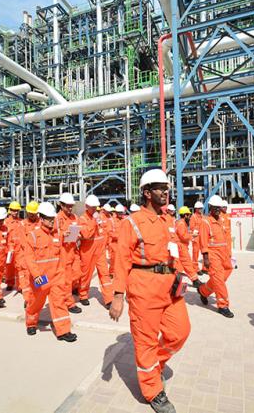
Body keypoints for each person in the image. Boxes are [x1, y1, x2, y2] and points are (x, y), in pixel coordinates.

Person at [110, 169, 190, 413]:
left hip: (170, 286)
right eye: (159, 188)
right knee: (145, 343)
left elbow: (175, 252)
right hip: (143, 288)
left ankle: (156, 366)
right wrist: (117, 297)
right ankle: (153, 392)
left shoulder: (168, 221)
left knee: (180, 332)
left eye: (166, 187)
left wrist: (185, 275)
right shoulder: (131, 223)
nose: (165, 192)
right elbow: (121, 260)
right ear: (146, 193)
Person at [22, 202, 77, 342]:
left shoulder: (57, 233)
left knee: (59, 302)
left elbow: (63, 241)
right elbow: (29, 258)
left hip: (56, 276)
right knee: (36, 302)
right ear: (41, 218)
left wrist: (70, 234)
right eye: (49, 219)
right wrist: (37, 275)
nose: (52, 221)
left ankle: (63, 331)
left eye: (53, 219)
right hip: (42, 277)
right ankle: (31, 323)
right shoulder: (33, 236)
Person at [197, 195, 234, 318]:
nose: (218, 210)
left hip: (223, 253)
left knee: (227, 272)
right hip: (213, 254)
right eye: (215, 208)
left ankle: (203, 291)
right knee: (218, 279)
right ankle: (223, 305)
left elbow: (225, 238)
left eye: (219, 207)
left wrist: (229, 253)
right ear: (210, 207)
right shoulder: (205, 222)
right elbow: (203, 241)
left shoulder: (222, 220)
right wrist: (206, 258)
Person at [78, 195, 113, 308]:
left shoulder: (99, 217)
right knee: (86, 274)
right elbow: (86, 234)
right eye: (92, 207)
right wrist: (94, 222)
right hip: (87, 251)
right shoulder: (82, 219)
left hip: (100, 251)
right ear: (86, 206)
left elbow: (105, 231)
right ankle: (83, 295)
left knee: (104, 274)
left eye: (95, 207)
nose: (94, 209)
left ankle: (109, 299)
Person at [54, 193, 82, 314]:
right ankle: (69, 303)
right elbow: (52, 235)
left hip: (73, 250)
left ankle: (68, 292)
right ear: (61, 205)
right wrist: (62, 235)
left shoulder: (74, 217)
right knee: (67, 279)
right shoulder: (56, 219)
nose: (70, 208)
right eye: (68, 206)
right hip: (63, 251)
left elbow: (78, 228)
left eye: (71, 206)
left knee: (77, 274)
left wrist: (79, 234)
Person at [175, 206, 200, 286]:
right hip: (181, 246)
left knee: (179, 265)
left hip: (180, 246)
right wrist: (192, 236)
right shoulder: (182, 223)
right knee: (187, 263)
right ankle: (195, 281)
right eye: (189, 215)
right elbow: (183, 236)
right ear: (185, 215)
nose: (189, 217)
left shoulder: (181, 223)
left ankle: (177, 281)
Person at [4, 201, 23, 291]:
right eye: (13, 210)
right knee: (9, 267)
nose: (15, 212)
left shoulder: (21, 222)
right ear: (10, 210)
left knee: (19, 267)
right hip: (9, 248)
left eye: (17, 210)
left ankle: (20, 286)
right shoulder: (5, 222)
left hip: (19, 248)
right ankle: (9, 283)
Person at [190, 201, 204, 274]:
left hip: (202, 237)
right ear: (196, 209)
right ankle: (195, 268)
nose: (201, 209)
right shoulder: (193, 217)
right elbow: (192, 228)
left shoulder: (202, 216)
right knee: (195, 253)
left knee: (205, 252)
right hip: (196, 237)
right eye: (199, 208)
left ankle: (204, 268)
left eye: (201, 208)